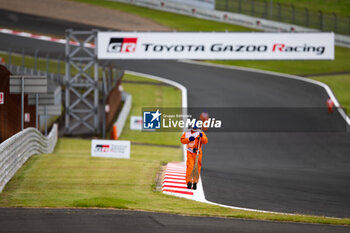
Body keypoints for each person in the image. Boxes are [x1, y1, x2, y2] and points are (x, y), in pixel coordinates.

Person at [180, 124, 208, 190]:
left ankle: (195, 182)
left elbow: (205, 141)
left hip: (198, 153)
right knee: (190, 166)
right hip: (190, 152)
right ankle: (189, 182)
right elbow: (182, 141)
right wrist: (188, 139)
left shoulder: (200, 133)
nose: (195, 130)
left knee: (197, 168)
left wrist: (202, 137)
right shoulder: (187, 133)